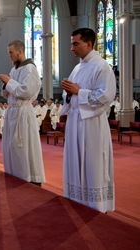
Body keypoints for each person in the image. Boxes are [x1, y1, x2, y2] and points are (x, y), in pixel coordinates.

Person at [60, 28, 115, 213]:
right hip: (75, 121)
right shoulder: (77, 68)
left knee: (92, 162)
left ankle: (95, 206)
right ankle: (77, 199)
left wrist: (78, 92)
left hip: (92, 124)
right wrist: (69, 93)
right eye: (71, 43)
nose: (71, 48)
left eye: (76, 43)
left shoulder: (102, 67)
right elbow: (71, 95)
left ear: (89, 44)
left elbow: (106, 97)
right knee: (75, 160)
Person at [0, 39, 45, 185]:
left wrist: (9, 82)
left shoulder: (30, 69)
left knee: (23, 145)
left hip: (23, 112)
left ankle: (28, 177)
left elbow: (26, 91)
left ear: (20, 51)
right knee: (11, 146)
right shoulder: (14, 69)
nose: (9, 55)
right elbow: (7, 94)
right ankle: (14, 173)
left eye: (11, 52)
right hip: (12, 111)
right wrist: (6, 84)